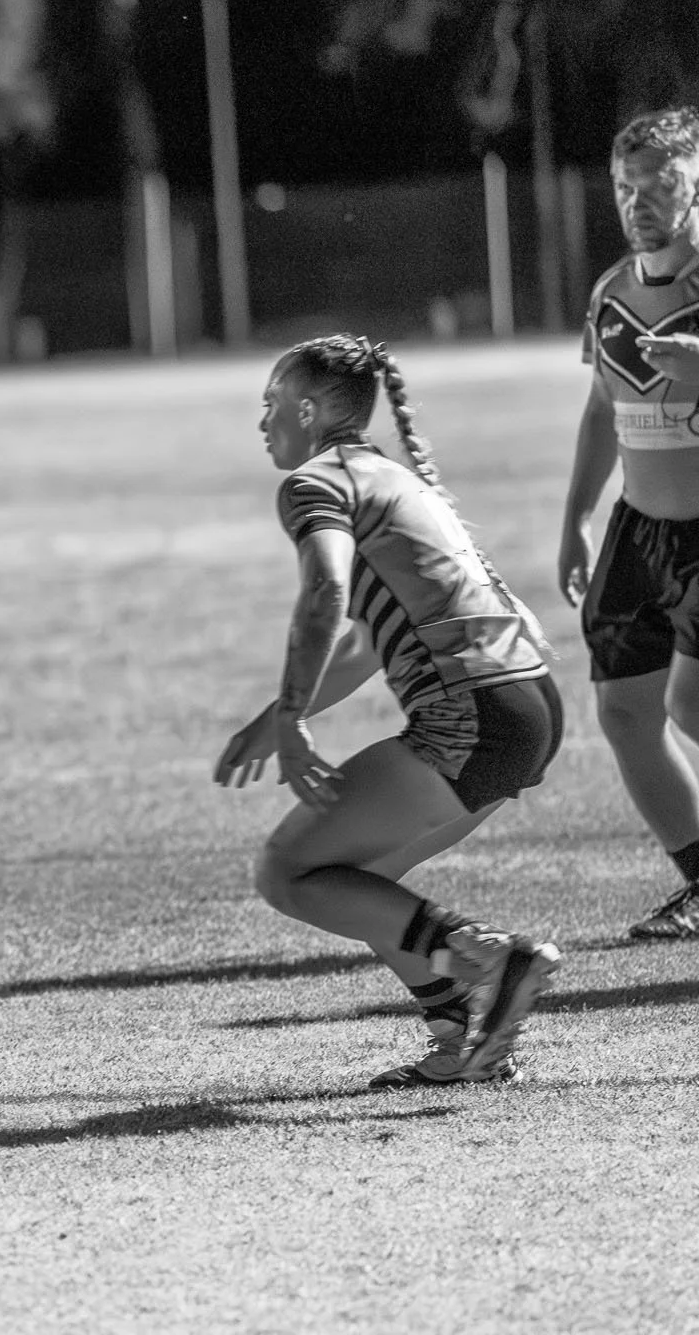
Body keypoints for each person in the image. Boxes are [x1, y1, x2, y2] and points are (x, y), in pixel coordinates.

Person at [215, 334, 564, 1088]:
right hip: (525, 707)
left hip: (469, 714)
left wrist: (292, 721)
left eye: (271, 405)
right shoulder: (390, 479)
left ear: (308, 411)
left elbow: (325, 595)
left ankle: (496, 960)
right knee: (364, 883)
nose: (263, 422)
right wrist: (279, 711)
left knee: (287, 870)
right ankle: (458, 1038)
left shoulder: (317, 481)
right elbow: (367, 645)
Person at [558, 106, 699, 940]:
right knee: (623, 712)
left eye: (661, 181)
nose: (639, 199)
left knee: (693, 708)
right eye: (625, 185)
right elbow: (599, 408)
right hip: (636, 532)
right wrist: (575, 517)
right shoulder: (611, 290)